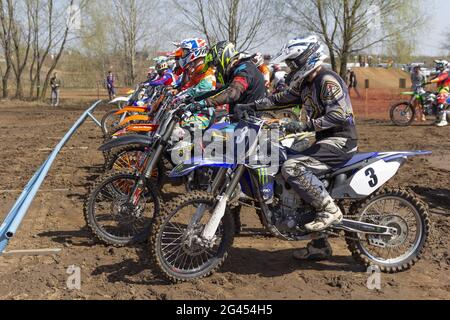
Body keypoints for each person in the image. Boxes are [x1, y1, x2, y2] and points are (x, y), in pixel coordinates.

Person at [236, 36, 358, 261]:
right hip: (323, 139)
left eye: (294, 63)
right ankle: (319, 244)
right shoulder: (307, 83)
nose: (291, 67)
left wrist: (305, 124)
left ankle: (329, 209)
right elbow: (280, 99)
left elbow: (341, 114)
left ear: (307, 58)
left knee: (293, 167)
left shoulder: (326, 80)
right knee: (282, 162)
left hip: (340, 141)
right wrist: (251, 106)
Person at [188, 41, 266, 114]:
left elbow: (232, 94)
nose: (216, 70)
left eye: (217, 66)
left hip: (247, 122)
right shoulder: (237, 69)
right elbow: (221, 90)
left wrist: (205, 103)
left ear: (222, 59)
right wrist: (196, 99)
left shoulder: (244, 70)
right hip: (240, 118)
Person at [424, 60, 450, 127]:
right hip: (439, 91)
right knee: (433, 104)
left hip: (444, 92)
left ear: (444, 66)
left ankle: (444, 121)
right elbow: (435, 77)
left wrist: (431, 81)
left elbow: (440, 79)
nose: (438, 66)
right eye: (438, 65)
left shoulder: (446, 73)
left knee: (441, 105)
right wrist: (427, 80)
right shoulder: (440, 73)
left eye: (440, 65)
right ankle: (438, 119)